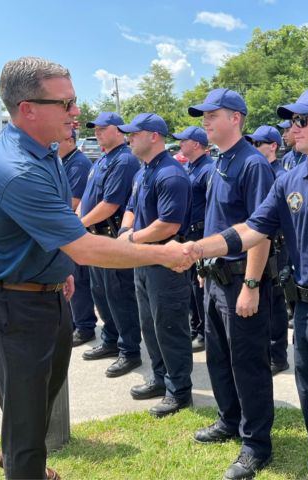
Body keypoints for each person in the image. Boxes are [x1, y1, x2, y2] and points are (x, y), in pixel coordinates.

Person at [0, 57, 196, 480]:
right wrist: (164, 253)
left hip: (45, 293)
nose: (77, 113)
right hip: (14, 309)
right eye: (67, 103)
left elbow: (62, 224)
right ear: (28, 109)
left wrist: (61, 266)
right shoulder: (17, 169)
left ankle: (22, 457)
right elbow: (86, 247)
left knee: (36, 406)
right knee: (26, 418)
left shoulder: (45, 151)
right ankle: (25, 467)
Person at [178, 87, 308, 480]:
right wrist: (196, 249)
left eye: (302, 120)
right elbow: (252, 229)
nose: (293, 128)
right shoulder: (290, 179)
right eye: (291, 121)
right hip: (305, 311)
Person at [187, 89, 275, 480]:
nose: (205, 120)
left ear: (236, 118)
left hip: (242, 279)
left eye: (212, 114)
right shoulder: (222, 159)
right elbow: (217, 222)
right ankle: (229, 420)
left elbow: (262, 230)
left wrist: (252, 284)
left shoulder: (252, 164)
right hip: (217, 278)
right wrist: (206, 270)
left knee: (248, 364)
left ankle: (256, 444)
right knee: (219, 357)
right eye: (203, 115)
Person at [117, 113, 194, 417]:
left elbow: (169, 225)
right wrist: (126, 232)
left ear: (154, 137)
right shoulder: (143, 172)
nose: (129, 138)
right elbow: (131, 208)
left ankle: (179, 390)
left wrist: (131, 239)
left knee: (170, 325)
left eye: (135, 134)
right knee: (149, 323)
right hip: (144, 258)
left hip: (165, 260)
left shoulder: (171, 174)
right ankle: (160, 378)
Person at [78, 112, 142, 378]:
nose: (97, 133)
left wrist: (78, 225)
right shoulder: (103, 158)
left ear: (120, 131)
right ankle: (110, 340)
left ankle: (129, 351)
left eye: (103, 129)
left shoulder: (124, 160)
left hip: (111, 237)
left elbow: (111, 204)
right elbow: (87, 196)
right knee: (101, 293)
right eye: (96, 129)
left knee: (119, 296)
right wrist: (78, 218)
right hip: (95, 235)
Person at [245, 125, 290, 375]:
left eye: (259, 143)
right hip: (259, 243)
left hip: (276, 245)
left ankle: (278, 355)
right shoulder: (256, 170)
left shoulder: (280, 175)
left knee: (275, 300)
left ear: (273, 146)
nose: (254, 148)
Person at [171, 126, 213, 352]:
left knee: (200, 286)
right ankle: (195, 326)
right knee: (191, 286)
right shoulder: (190, 167)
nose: (180, 144)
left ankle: (203, 331)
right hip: (188, 234)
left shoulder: (208, 169)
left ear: (196, 144)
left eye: (183, 141)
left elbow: (211, 209)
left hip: (201, 234)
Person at [58, 128, 98, 347]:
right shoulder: (64, 161)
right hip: (65, 228)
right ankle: (74, 322)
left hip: (75, 229)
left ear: (71, 140)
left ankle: (84, 326)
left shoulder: (78, 164)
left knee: (79, 281)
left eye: (59, 140)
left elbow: (73, 201)